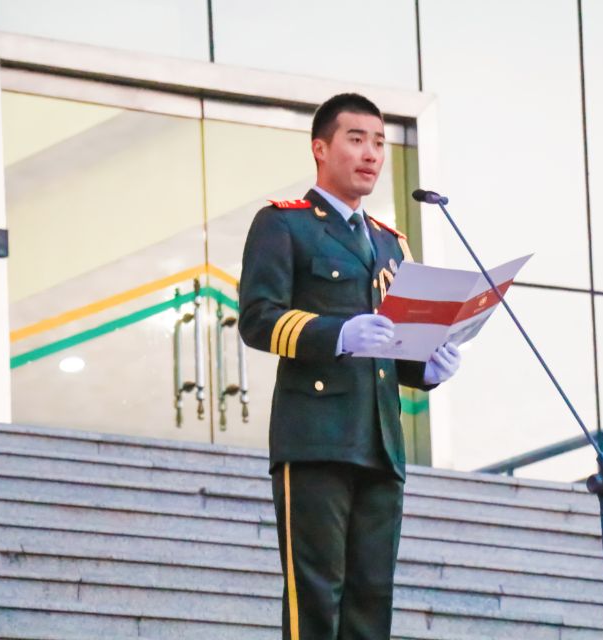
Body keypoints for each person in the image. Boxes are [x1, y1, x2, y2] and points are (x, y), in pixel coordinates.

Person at [238, 92, 462, 640]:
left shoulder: (389, 243)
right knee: (315, 597)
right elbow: (258, 318)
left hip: (380, 440)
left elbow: (394, 345)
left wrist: (427, 367)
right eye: (356, 139)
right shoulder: (283, 225)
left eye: (379, 143)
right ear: (320, 148)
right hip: (315, 436)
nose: (371, 154)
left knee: (371, 599)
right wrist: (336, 334)